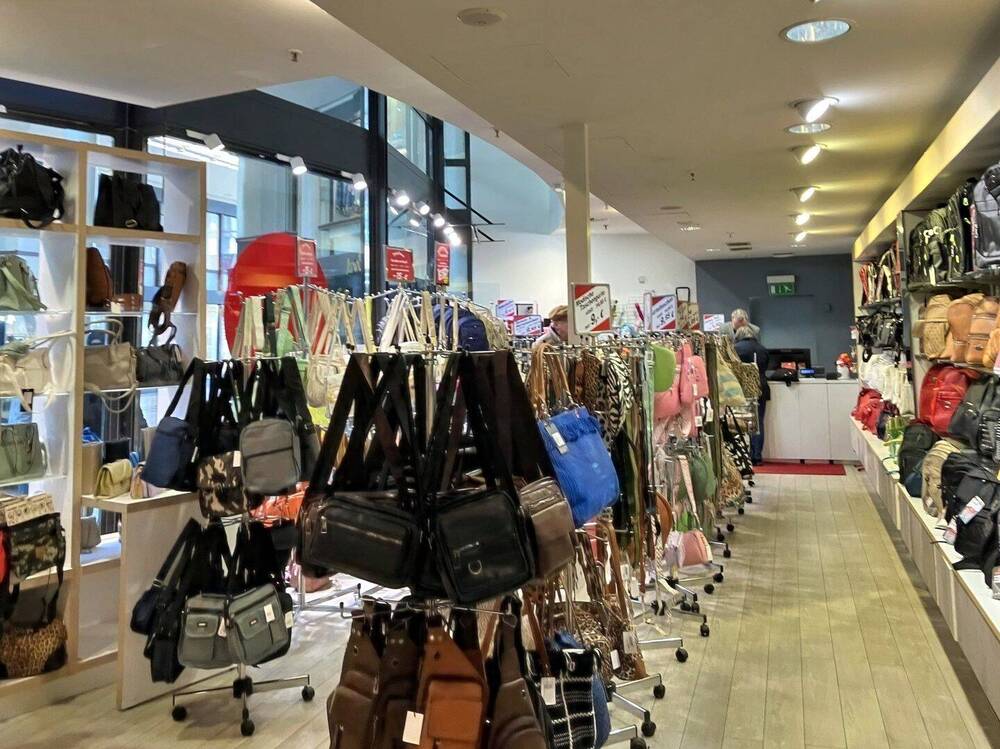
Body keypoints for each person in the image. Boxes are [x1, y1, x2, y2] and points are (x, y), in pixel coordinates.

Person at [734, 325, 770, 465]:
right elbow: (766, 367)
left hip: (742, 388)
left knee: (740, 421)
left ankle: (743, 455)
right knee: (758, 422)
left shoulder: (735, 348)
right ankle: (757, 456)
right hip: (761, 387)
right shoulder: (763, 349)